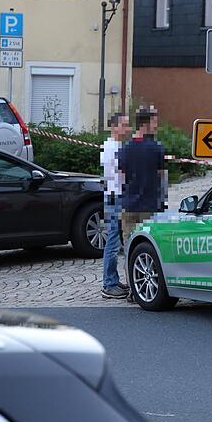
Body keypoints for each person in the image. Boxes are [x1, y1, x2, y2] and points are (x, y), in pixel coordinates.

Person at [119, 106, 168, 255]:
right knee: (148, 251)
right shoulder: (157, 148)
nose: (156, 126)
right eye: (154, 122)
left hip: (129, 206)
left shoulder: (125, 148)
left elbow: (121, 176)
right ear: (145, 124)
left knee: (130, 251)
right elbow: (162, 176)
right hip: (150, 207)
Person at [100, 113, 130, 299]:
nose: (127, 129)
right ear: (114, 126)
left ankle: (113, 280)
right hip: (115, 197)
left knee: (116, 240)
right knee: (113, 242)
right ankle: (109, 284)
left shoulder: (116, 146)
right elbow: (122, 172)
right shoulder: (112, 147)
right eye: (124, 125)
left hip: (116, 196)